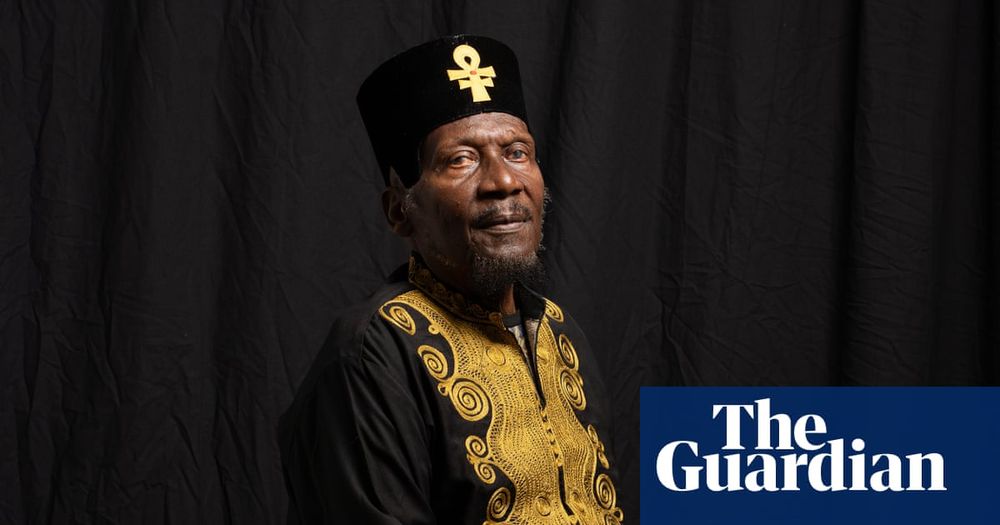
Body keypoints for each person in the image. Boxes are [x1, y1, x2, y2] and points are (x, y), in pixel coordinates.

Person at [280, 34, 624, 525]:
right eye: (460, 158)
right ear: (400, 211)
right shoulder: (374, 352)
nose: (503, 181)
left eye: (517, 152)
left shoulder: (560, 332)